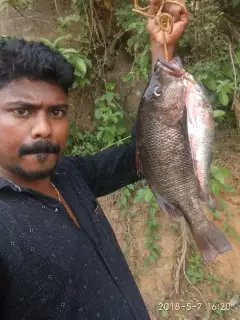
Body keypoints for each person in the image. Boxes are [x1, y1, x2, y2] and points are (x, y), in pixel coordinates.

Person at [0, 1, 188, 319]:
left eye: (56, 112)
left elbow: (149, 151)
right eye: (22, 111)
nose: (44, 129)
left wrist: (162, 47)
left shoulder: (70, 175)